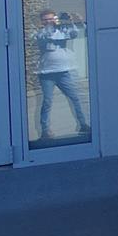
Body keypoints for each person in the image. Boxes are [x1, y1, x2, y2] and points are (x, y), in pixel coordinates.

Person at [33, 10, 89, 139]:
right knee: (47, 101)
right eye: (46, 19)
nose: (49, 21)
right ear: (42, 21)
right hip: (47, 73)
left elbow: (75, 33)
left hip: (64, 71)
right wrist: (50, 26)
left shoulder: (63, 30)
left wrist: (73, 21)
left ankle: (83, 124)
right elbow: (43, 36)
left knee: (75, 98)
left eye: (51, 19)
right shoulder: (40, 32)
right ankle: (45, 130)